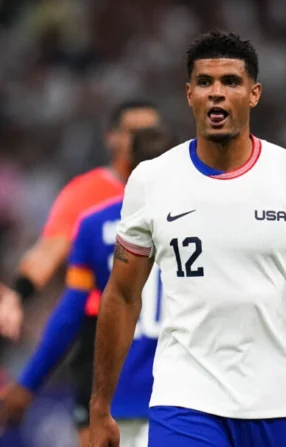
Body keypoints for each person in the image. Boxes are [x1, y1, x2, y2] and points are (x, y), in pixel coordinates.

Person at [88, 29, 286, 447]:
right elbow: (121, 296)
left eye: (231, 82)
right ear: (189, 93)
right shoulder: (152, 180)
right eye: (206, 83)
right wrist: (100, 406)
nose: (217, 93)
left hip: (276, 402)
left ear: (254, 94)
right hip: (184, 399)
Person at [0, 126, 175, 447]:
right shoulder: (201, 224)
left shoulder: (93, 225)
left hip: (116, 400)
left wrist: (28, 382)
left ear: (128, 168)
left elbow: (69, 315)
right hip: (183, 403)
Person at [0, 100, 161, 341]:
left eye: (151, 133)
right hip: (100, 325)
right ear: (111, 138)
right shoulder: (84, 194)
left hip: (162, 324)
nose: (142, 140)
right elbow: (49, 250)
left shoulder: (176, 188)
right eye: (133, 132)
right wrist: (17, 295)